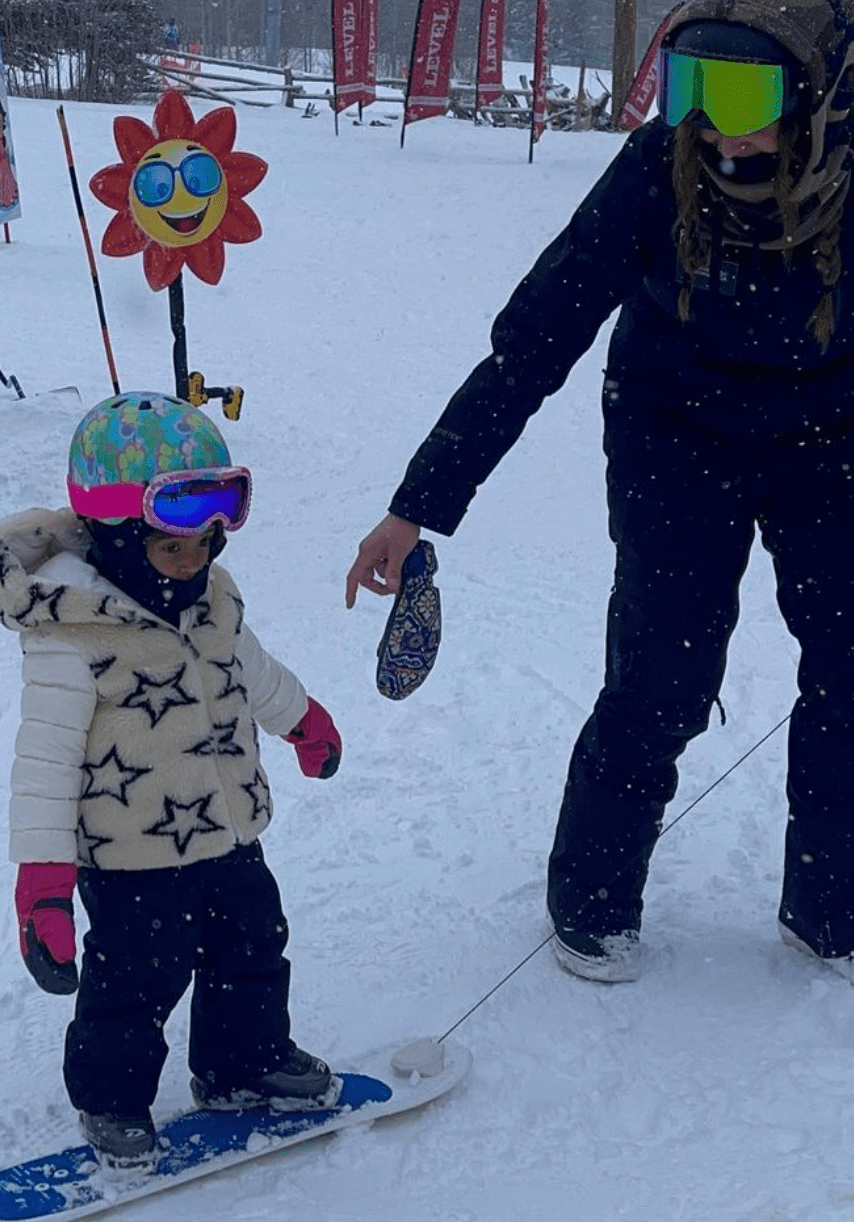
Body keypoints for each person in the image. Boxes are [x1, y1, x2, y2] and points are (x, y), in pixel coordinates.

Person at [346, 0, 854, 985]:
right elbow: (533, 339)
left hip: (829, 436)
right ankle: (593, 897)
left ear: (811, 96)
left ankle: (832, 903)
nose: (708, 118)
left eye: (737, 91)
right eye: (687, 86)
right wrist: (418, 503)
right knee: (663, 664)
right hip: (675, 427)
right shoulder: (656, 171)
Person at [0, 392, 344, 1165]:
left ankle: (241, 1064)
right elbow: (43, 760)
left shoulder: (209, 596)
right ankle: (112, 1101)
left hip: (227, 829)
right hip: (128, 852)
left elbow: (249, 669)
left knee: (253, 944)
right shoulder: (71, 634)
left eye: (209, 541)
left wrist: (303, 722)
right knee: (136, 981)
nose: (195, 562)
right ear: (115, 535)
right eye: (172, 547)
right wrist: (42, 883)